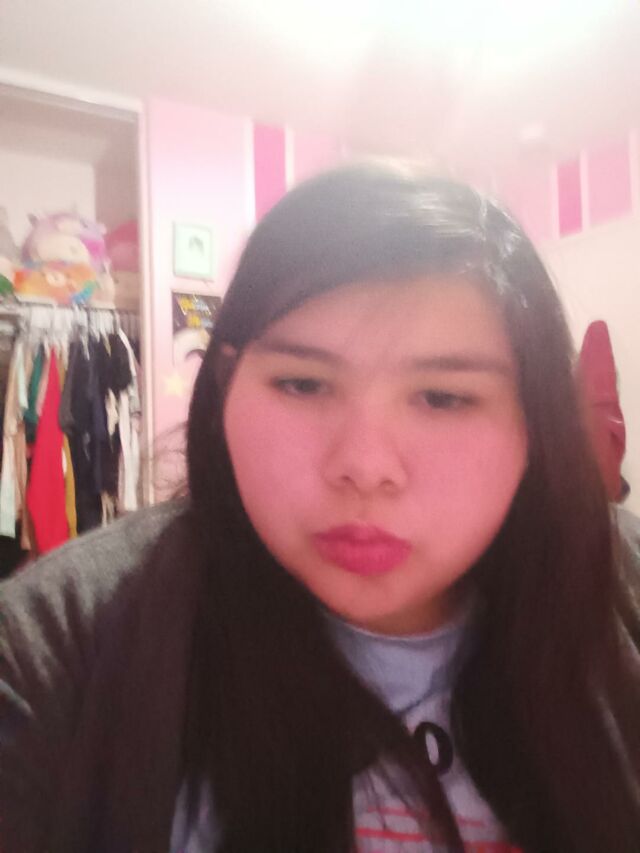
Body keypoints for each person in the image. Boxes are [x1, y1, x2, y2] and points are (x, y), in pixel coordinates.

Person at [1, 163, 639, 853]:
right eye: (303, 383)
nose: (364, 465)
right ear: (225, 386)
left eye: (443, 397)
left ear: (535, 423)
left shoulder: (615, 587)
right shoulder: (51, 649)